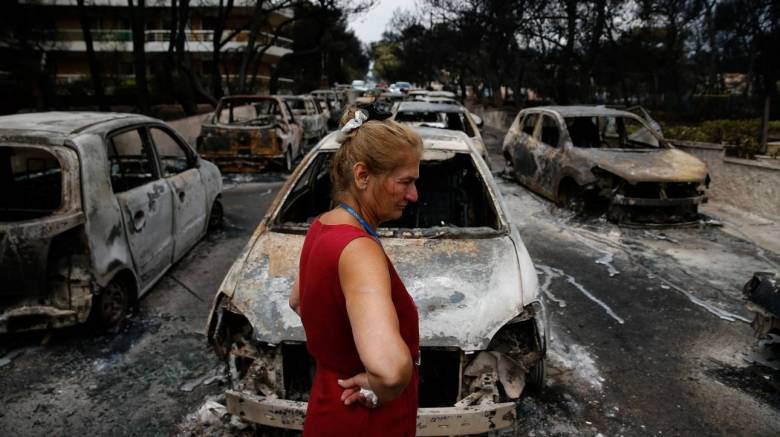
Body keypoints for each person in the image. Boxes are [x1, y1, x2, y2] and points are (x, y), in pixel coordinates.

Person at [289, 107, 422, 436]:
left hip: (328, 402)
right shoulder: (360, 250)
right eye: (405, 182)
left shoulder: (322, 226)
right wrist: (392, 382)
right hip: (364, 420)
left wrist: (339, 348)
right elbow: (389, 370)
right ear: (362, 176)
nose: (413, 195)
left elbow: (297, 301)